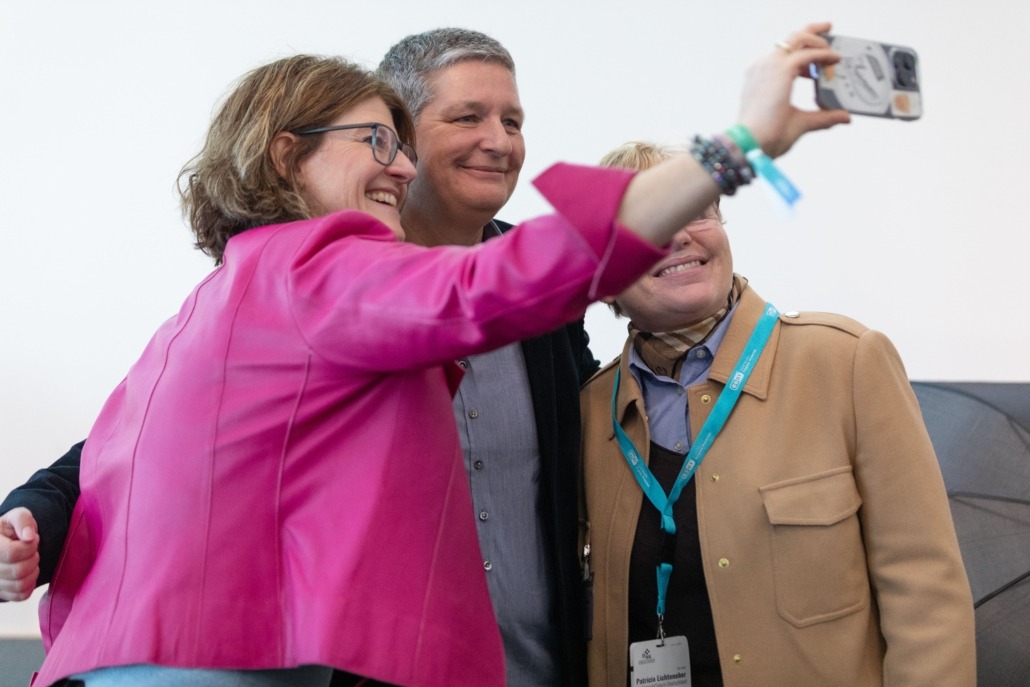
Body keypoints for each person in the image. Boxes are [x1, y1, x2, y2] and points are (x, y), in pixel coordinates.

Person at [7, 22, 850, 687]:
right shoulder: (315, 267)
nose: (401, 166)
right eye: (380, 142)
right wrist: (739, 143)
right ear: (287, 154)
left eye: (512, 120)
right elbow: (504, 281)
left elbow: (137, 448)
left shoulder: (240, 284)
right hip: (247, 658)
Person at [2, 27, 596, 687]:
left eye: (513, 121)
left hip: (517, 662)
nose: (499, 140)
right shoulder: (303, 271)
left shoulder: (547, 306)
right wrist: (33, 515)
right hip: (327, 665)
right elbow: (127, 448)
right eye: (466, 117)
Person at [579, 140, 976, 686]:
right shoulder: (589, 409)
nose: (678, 235)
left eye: (695, 210)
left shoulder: (845, 362)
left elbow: (926, 591)